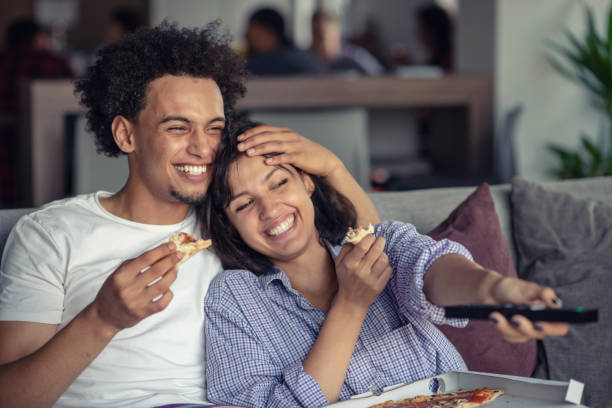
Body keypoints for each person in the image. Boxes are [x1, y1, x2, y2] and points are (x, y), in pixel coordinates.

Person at [0, 22, 378, 408]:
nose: (202, 148)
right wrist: (102, 319)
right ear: (125, 135)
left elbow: (377, 255)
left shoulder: (239, 222)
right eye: (178, 128)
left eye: (213, 128)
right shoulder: (50, 233)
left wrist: (333, 168)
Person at [202, 120, 569, 408]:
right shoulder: (235, 298)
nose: (270, 210)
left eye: (279, 182)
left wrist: (497, 289)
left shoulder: (377, 243)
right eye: (244, 204)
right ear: (227, 223)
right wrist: (351, 304)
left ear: (307, 182)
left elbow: (431, 268)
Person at [0, 18, 73, 207]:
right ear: (37, 38)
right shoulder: (52, 62)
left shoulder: (5, 63)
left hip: (6, 138)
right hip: (48, 138)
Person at [245, 7, 324, 76]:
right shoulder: (308, 58)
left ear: (270, 33)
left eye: (257, 36)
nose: (246, 36)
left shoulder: (261, 65)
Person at [310, 9, 384, 76]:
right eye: (315, 35)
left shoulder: (356, 58)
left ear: (338, 34)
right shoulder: (307, 60)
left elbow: (380, 76)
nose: (318, 43)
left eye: (322, 36)